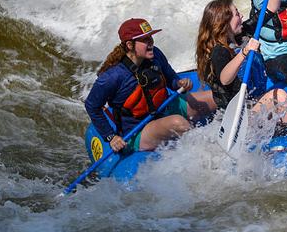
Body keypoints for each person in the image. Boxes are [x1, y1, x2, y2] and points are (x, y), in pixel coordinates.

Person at [86, 18, 215, 153]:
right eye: (145, 40)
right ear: (130, 45)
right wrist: (111, 137)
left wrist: (180, 83)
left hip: (166, 108)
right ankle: (210, 152)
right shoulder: (112, 77)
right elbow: (91, 106)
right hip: (140, 129)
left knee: (215, 98)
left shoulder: (156, 54)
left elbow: (172, 79)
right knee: (179, 123)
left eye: (151, 38)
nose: (151, 43)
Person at [194, 0, 287, 122]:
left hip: (253, 103)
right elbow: (225, 79)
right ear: (224, 22)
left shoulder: (243, 33)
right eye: (237, 14)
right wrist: (244, 52)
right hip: (238, 116)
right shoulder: (219, 51)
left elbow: (271, 8)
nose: (242, 16)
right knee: (280, 96)